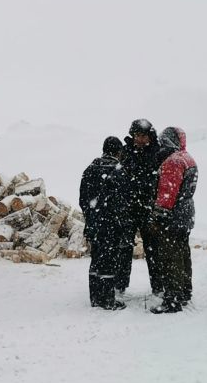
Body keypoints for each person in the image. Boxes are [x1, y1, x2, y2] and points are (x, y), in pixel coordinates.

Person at [148, 127, 199, 314]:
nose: (161, 144)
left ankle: (172, 299)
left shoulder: (173, 162)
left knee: (170, 257)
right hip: (186, 214)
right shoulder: (188, 158)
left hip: (173, 216)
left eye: (164, 140)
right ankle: (185, 291)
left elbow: (167, 194)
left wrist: (157, 217)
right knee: (183, 254)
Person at [79, 136, 131, 310]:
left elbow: (83, 199)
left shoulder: (89, 169)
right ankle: (108, 300)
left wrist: (91, 215)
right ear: (118, 151)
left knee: (96, 259)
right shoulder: (118, 170)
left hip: (94, 223)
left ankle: (95, 298)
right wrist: (120, 220)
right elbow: (123, 201)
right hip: (111, 224)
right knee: (109, 260)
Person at [122, 119, 163, 295]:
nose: (139, 139)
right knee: (124, 249)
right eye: (137, 135)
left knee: (153, 249)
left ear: (149, 136)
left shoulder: (157, 153)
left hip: (149, 208)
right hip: (129, 208)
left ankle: (158, 286)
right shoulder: (126, 152)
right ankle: (120, 285)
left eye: (143, 135)